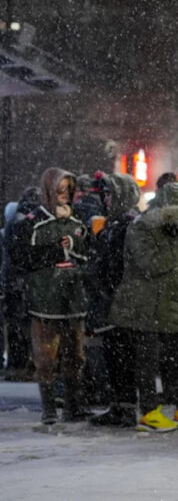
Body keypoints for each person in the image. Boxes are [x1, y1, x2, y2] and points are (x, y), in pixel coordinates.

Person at [110, 182, 178, 431]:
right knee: (146, 363)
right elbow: (153, 265)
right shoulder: (142, 228)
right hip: (143, 309)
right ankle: (149, 413)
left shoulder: (174, 228)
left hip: (171, 307)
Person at [9, 169, 92, 424]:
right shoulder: (31, 223)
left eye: (68, 189)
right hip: (45, 301)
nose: (65, 194)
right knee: (46, 357)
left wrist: (76, 251)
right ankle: (49, 408)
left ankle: (73, 405)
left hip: (73, 301)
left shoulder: (78, 221)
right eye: (60, 189)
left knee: (75, 356)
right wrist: (57, 251)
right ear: (48, 191)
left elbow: (90, 253)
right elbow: (21, 259)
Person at [88, 174, 141, 428]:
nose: (106, 199)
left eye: (110, 194)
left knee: (123, 357)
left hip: (122, 301)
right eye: (105, 194)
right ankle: (119, 405)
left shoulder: (128, 224)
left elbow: (120, 265)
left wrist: (107, 284)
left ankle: (126, 407)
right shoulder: (114, 223)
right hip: (110, 300)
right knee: (113, 356)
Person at [2, 187, 39, 382]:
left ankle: (16, 365)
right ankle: (23, 365)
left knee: (16, 327)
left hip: (13, 282)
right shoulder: (30, 222)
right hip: (25, 283)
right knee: (25, 327)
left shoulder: (14, 221)